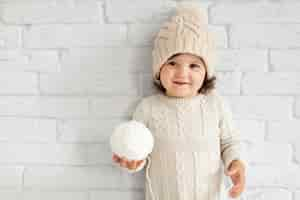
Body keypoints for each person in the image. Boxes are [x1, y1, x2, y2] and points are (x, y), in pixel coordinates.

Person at [112, 3, 247, 200]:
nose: (182, 73)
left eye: (194, 65)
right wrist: (134, 161)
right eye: (172, 63)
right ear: (159, 69)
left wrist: (235, 162)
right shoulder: (148, 108)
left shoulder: (215, 105)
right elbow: (140, 148)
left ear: (206, 73)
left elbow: (229, 142)